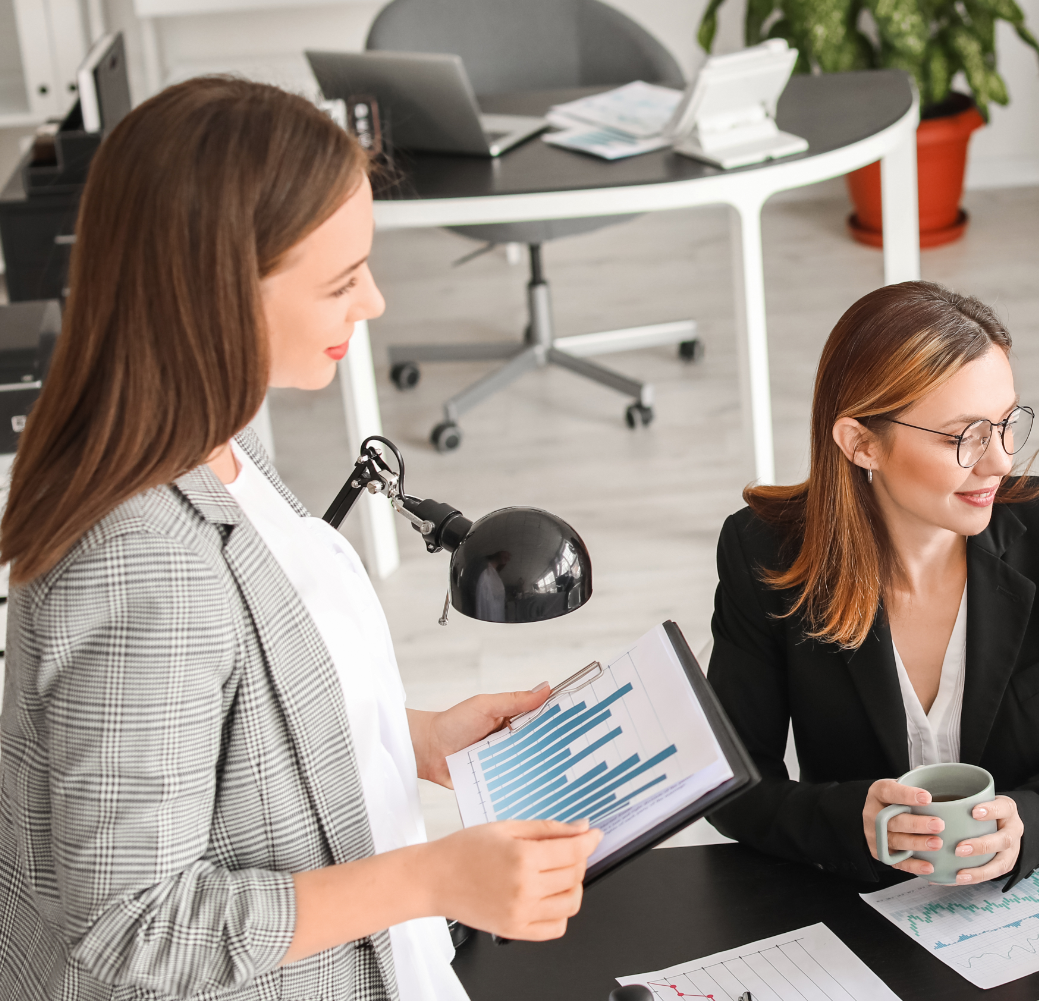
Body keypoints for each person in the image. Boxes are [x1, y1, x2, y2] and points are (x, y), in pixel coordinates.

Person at [0, 78, 601, 1001]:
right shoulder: (136, 561)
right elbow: (133, 926)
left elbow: (229, 717)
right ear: (213, 296)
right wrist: (435, 877)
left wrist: (413, 740)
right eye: (338, 280)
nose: (375, 304)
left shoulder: (212, 442)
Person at [708, 281, 1039, 888]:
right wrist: (851, 823)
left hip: (1027, 897)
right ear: (862, 443)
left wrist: (1036, 822)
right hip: (856, 905)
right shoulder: (762, 555)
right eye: (964, 436)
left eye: (1006, 424)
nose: (999, 461)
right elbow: (730, 783)